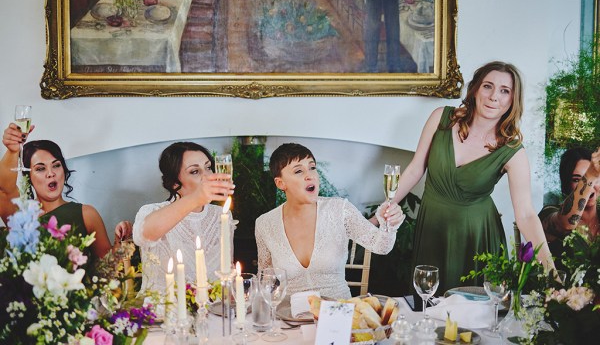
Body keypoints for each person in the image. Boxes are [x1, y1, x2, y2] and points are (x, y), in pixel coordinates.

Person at [383, 61, 555, 293]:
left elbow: (525, 214)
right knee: (428, 305)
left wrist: (550, 270)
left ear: (513, 100)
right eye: (488, 86)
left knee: (473, 317)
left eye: (505, 91)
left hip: (477, 237)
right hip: (433, 228)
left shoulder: (512, 151)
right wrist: (376, 219)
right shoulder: (441, 119)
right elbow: (415, 170)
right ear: (474, 89)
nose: (494, 96)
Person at [255, 143, 405, 299]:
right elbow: (265, 279)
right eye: (299, 171)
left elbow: (381, 246)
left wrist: (390, 225)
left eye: (312, 167)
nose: (310, 175)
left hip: (338, 311)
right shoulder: (264, 224)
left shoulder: (340, 209)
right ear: (280, 183)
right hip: (289, 317)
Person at [0, 123, 132, 259]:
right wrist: (12, 151)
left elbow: (107, 269)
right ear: (28, 177)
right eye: (40, 168)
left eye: (56, 165)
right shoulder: (20, 216)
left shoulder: (87, 214)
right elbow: (4, 189)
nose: (51, 173)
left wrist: (120, 241)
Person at [132, 142, 235, 295]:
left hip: (212, 310)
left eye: (208, 167)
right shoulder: (151, 211)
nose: (207, 176)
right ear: (174, 183)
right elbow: (143, 235)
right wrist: (197, 198)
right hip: (163, 310)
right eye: (195, 171)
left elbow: (226, 272)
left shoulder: (221, 214)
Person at [539, 147, 599, 259]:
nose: (590, 187)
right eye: (577, 180)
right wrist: (590, 174)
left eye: (596, 178)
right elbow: (566, 224)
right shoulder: (548, 212)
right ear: (567, 183)